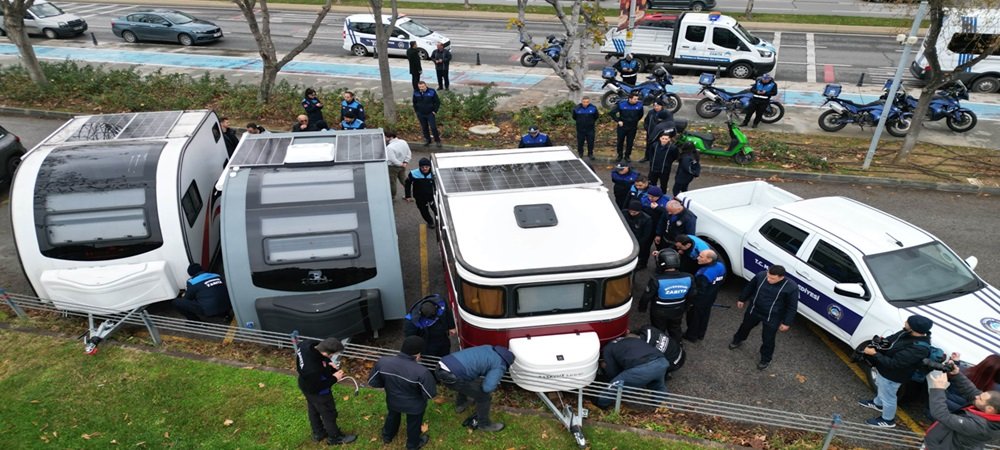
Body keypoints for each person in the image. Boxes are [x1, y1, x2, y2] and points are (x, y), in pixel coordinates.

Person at [857, 315, 934, 428]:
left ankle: (888, 420)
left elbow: (894, 364)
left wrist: (874, 354)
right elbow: (892, 339)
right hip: (884, 371)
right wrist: (882, 342)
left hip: (893, 376)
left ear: (914, 328)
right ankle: (878, 403)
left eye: (908, 322)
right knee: (881, 387)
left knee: (889, 397)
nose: (905, 322)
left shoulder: (919, 348)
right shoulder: (906, 333)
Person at [368, 336, 437, 450]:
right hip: (414, 406)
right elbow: (430, 394)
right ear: (418, 354)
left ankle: (387, 436)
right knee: (414, 424)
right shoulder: (422, 372)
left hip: (393, 400)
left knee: (392, 416)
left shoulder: (383, 362)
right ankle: (412, 445)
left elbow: (373, 382)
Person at [729, 265, 799, 371]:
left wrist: (786, 322)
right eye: (768, 276)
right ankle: (737, 340)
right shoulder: (761, 276)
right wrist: (742, 299)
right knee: (745, 326)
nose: (769, 279)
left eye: (772, 278)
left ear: (781, 277)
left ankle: (766, 359)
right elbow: (750, 287)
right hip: (754, 309)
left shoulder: (792, 287)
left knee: (768, 338)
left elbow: (792, 306)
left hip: (773, 316)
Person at [436, 345, 516, 432]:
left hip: (442, 365)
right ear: (508, 362)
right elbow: (487, 388)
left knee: (468, 380)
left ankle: (461, 404)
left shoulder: (488, 348)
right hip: (452, 377)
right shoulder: (500, 364)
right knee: (484, 397)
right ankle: (484, 424)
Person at [295, 337, 357, 445]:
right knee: (329, 413)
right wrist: (335, 378)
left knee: (313, 409)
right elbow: (318, 386)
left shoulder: (306, 345)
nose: (332, 357)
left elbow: (319, 358)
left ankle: (318, 433)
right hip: (318, 392)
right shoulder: (313, 369)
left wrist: (328, 362)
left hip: (304, 385)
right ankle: (335, 437)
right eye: (331, 355)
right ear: (325, 352)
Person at [925, 368, 1000, 449]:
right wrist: (957, 374)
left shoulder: (979, 427)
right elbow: (972, 392)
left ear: (989, 409)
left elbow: (942, 415)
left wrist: (937, 389)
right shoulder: (990, 409)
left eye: (980, 398)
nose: (977, 397)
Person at [595, 334, 668, 410]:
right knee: (657, 385)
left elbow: (612, 372)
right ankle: (661, 408)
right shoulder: (629, 339)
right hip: (661, 362)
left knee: (615, 384)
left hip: (644, 367)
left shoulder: (607, 349)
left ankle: (600, 404)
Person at [638, 249, 695, 341]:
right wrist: (686, 307)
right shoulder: (689, 277)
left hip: (659, 310)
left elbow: (647, 296)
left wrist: (642, 308)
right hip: (678, 309)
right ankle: (677, 345)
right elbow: (692, 295)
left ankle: (660, 347)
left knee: (659, 330)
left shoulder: (656, 279)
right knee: (675, 328)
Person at [683, 250, 726, 343]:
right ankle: (700, 334)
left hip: (699, 300)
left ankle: (691, 335)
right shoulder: (721, 266)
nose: (698, 257)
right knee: (705, 316)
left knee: (694, 317)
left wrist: (690, 299)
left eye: (701, 257)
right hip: (711, 296)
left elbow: (698, 290)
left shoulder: (704, 273)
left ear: (709, 259)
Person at [608, 92, 645, 162]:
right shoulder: (622, 104)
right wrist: (618, 121)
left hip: (632, 127)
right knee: (620, 141)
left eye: (637, 99)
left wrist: (635, 121)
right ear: (630, 99)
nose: (636, 100)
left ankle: (627, 156)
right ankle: (620, 155)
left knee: (630, 142)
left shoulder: (639, 106)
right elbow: (612, 113)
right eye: (635, 99)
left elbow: (640, 115)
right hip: (622, 126)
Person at [405, 158, 438, 227]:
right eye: (422, 167)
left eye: (426, 167)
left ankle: (440, 222)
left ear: (430, 166)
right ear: (419, 167)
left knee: (437, 210)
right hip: (419, 197)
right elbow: (407, 184)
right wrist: (408, 196)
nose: (424, 169)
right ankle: (430, 222)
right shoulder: (413, 173)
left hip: (432, 196)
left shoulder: (434, 173)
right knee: (424, 211)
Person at [623, 200, 653, 271]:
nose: (631, 213)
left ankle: (642, 264)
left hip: (639, 239)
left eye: (634, 212)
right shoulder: (624, 213)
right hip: (627, 237)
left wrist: (639, 244)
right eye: (630, 211)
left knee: (642, 253)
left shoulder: (646, 219)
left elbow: (646, 235)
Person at [413, 81, 442, 147]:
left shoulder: (431, 91)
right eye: (420, 87)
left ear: (425, 86)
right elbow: (414, 102)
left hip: (430, 113)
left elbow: (437, 102)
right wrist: (417, 111)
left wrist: (435, 111)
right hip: (421, 113)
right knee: (424, 127)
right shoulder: (416, 92)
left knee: (433, 127)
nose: (421, 88)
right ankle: (428, 140)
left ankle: (437, 140)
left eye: (422, 87)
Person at [385, 130, 412, 199]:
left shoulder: (389, 147)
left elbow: (392, 159)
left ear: (390, 137)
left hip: (392, 167)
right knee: (404, 180)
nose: (384, 139)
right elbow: (409, 153)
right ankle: (410, 193)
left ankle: (392, 196)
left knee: (392, 182)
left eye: (385, 137)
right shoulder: (403, 142)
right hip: (403, 165)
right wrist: (405, 162)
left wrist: (400, 164)